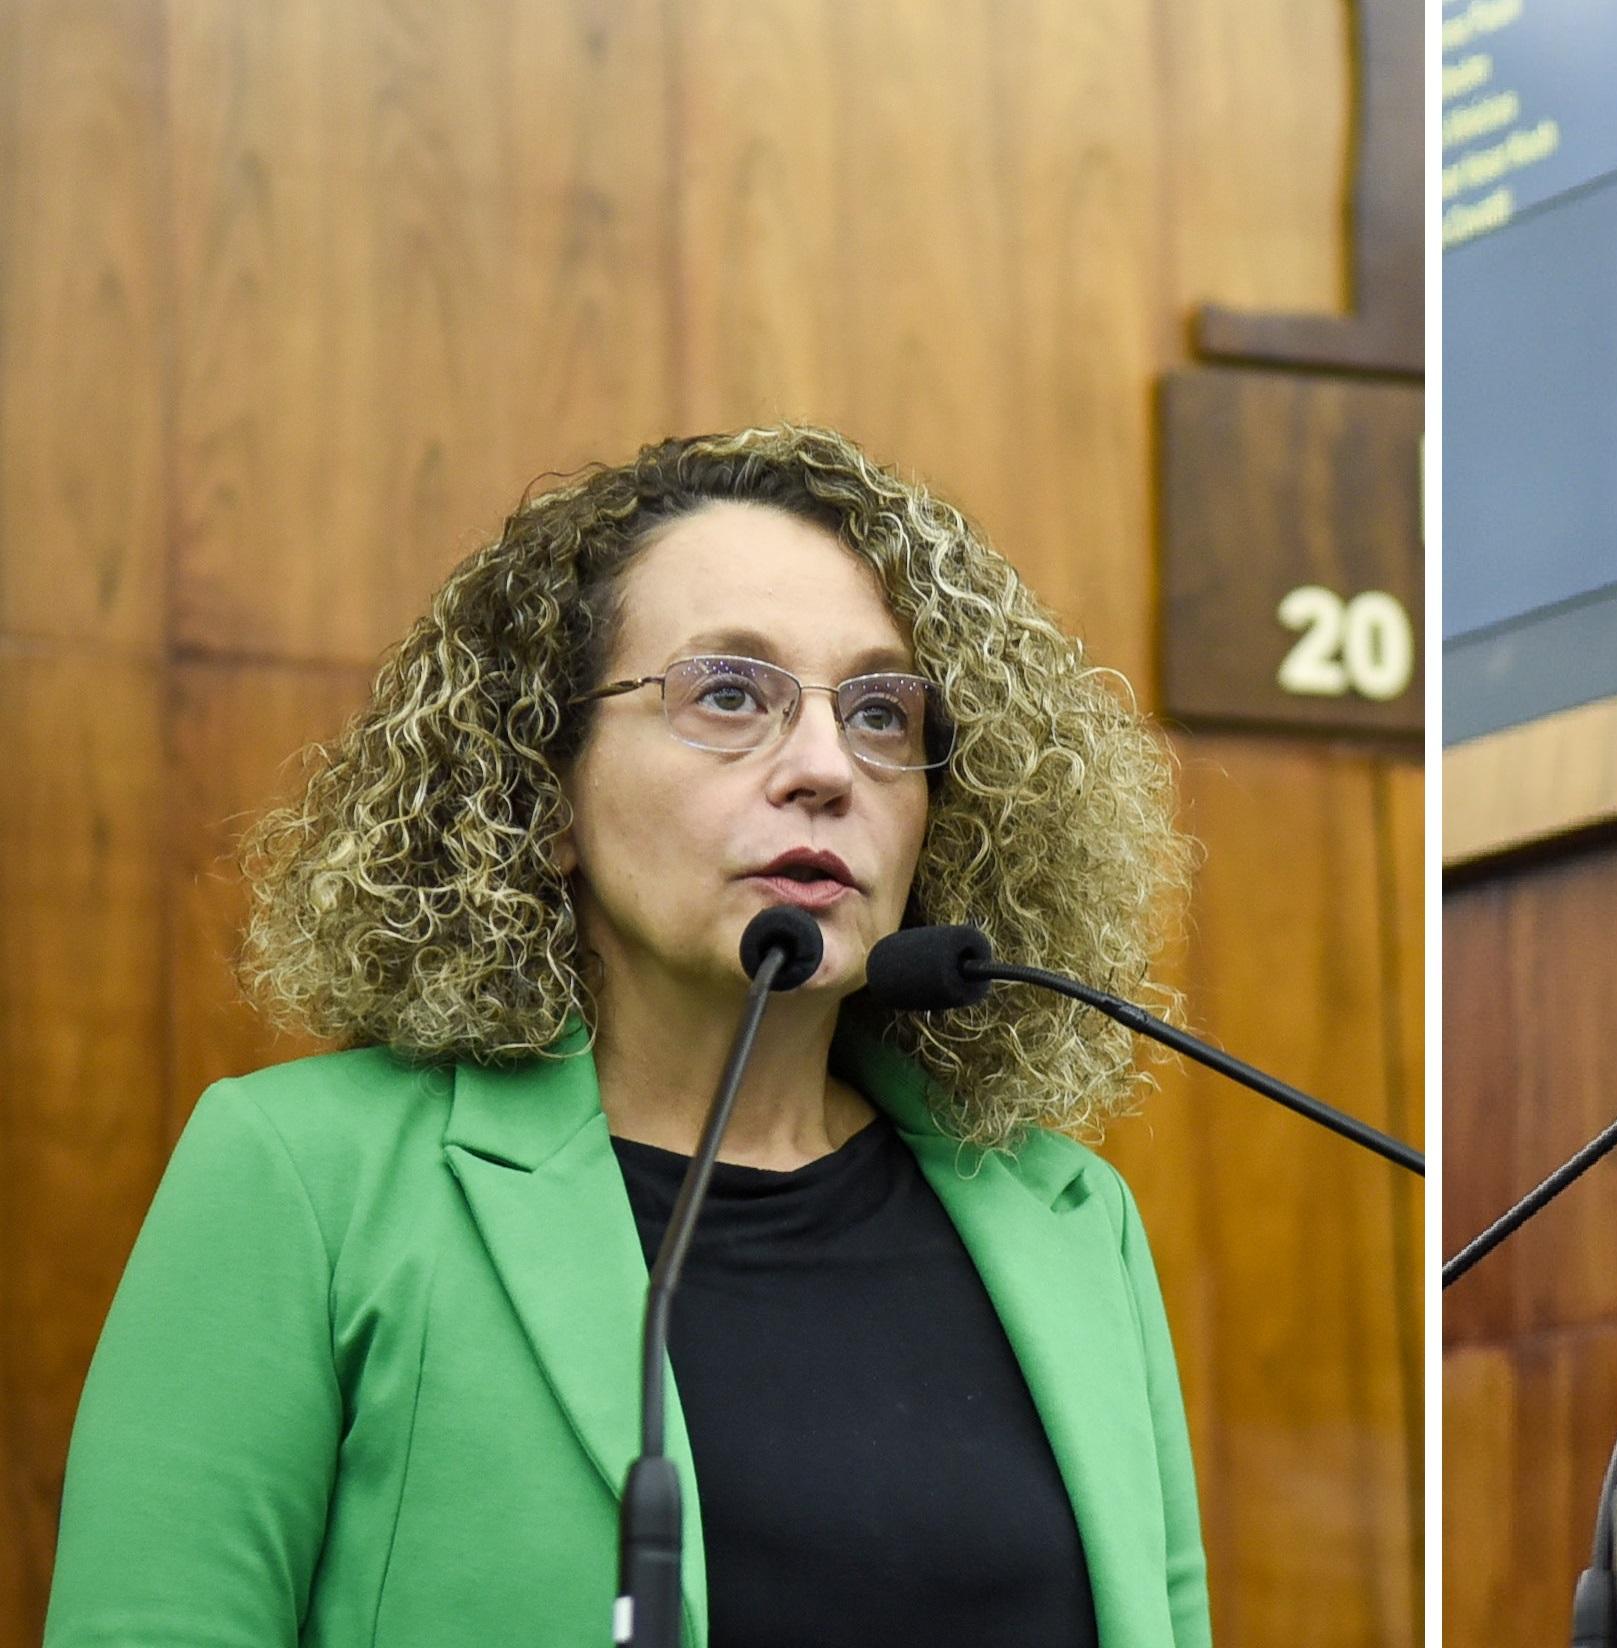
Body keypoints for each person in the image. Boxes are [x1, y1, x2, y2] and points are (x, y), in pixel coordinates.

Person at [46, 426, 1208, 1647]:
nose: (827, 767)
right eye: (729, 695)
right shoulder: (307, 1182)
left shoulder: (1071, 1222)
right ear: (544, 793)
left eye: (880, 712)